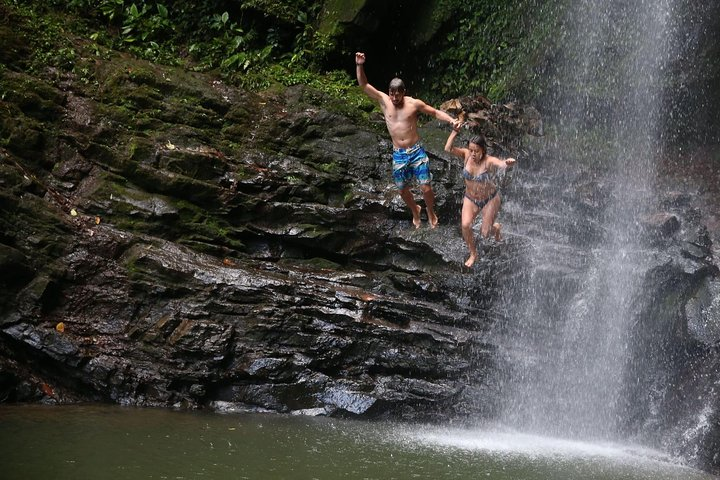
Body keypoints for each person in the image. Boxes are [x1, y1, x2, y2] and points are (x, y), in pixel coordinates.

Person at [355, 52, 461, 229]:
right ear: (389, 92)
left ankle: (430, 210)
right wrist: (359, 65)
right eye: (392, 94)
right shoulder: (384, 100)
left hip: (416, 150)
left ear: (404, 92)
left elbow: (434, 112)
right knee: (402, 190)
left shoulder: (413, 104)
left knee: (426, 187)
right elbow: (364, 84)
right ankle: (415, 209)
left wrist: (451, 120)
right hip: (399, 154)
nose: (394, 98)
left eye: (398, 94)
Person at [445, 126, 516, 267]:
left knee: (485, 233)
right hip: (470, 198)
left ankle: (495, 228)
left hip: (489, 199)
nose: (472, 153)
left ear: (483, 150)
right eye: (471, 150)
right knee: (465, 225)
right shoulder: (466, 155)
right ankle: (473, 253)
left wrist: (507, 163)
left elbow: (501, 164)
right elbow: (448, 148)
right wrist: (454, 132)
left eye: (476, 151)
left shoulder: (488, 161)